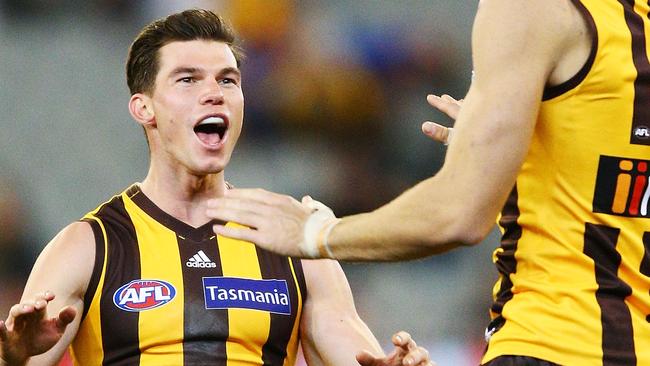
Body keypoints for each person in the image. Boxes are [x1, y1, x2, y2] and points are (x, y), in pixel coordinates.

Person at [205, 0, 650, 365]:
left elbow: (457, 216)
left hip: (559, 343)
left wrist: (314, 233)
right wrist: (523, 156)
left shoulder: (533, 7)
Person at [0, 9, 435, 366]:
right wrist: (14, 359)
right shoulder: (89, 246)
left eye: (227, 80)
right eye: (188, 79)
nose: (214, 93)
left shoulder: (292, 241)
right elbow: (23, 355)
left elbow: (352, 351)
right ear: (144, 107)